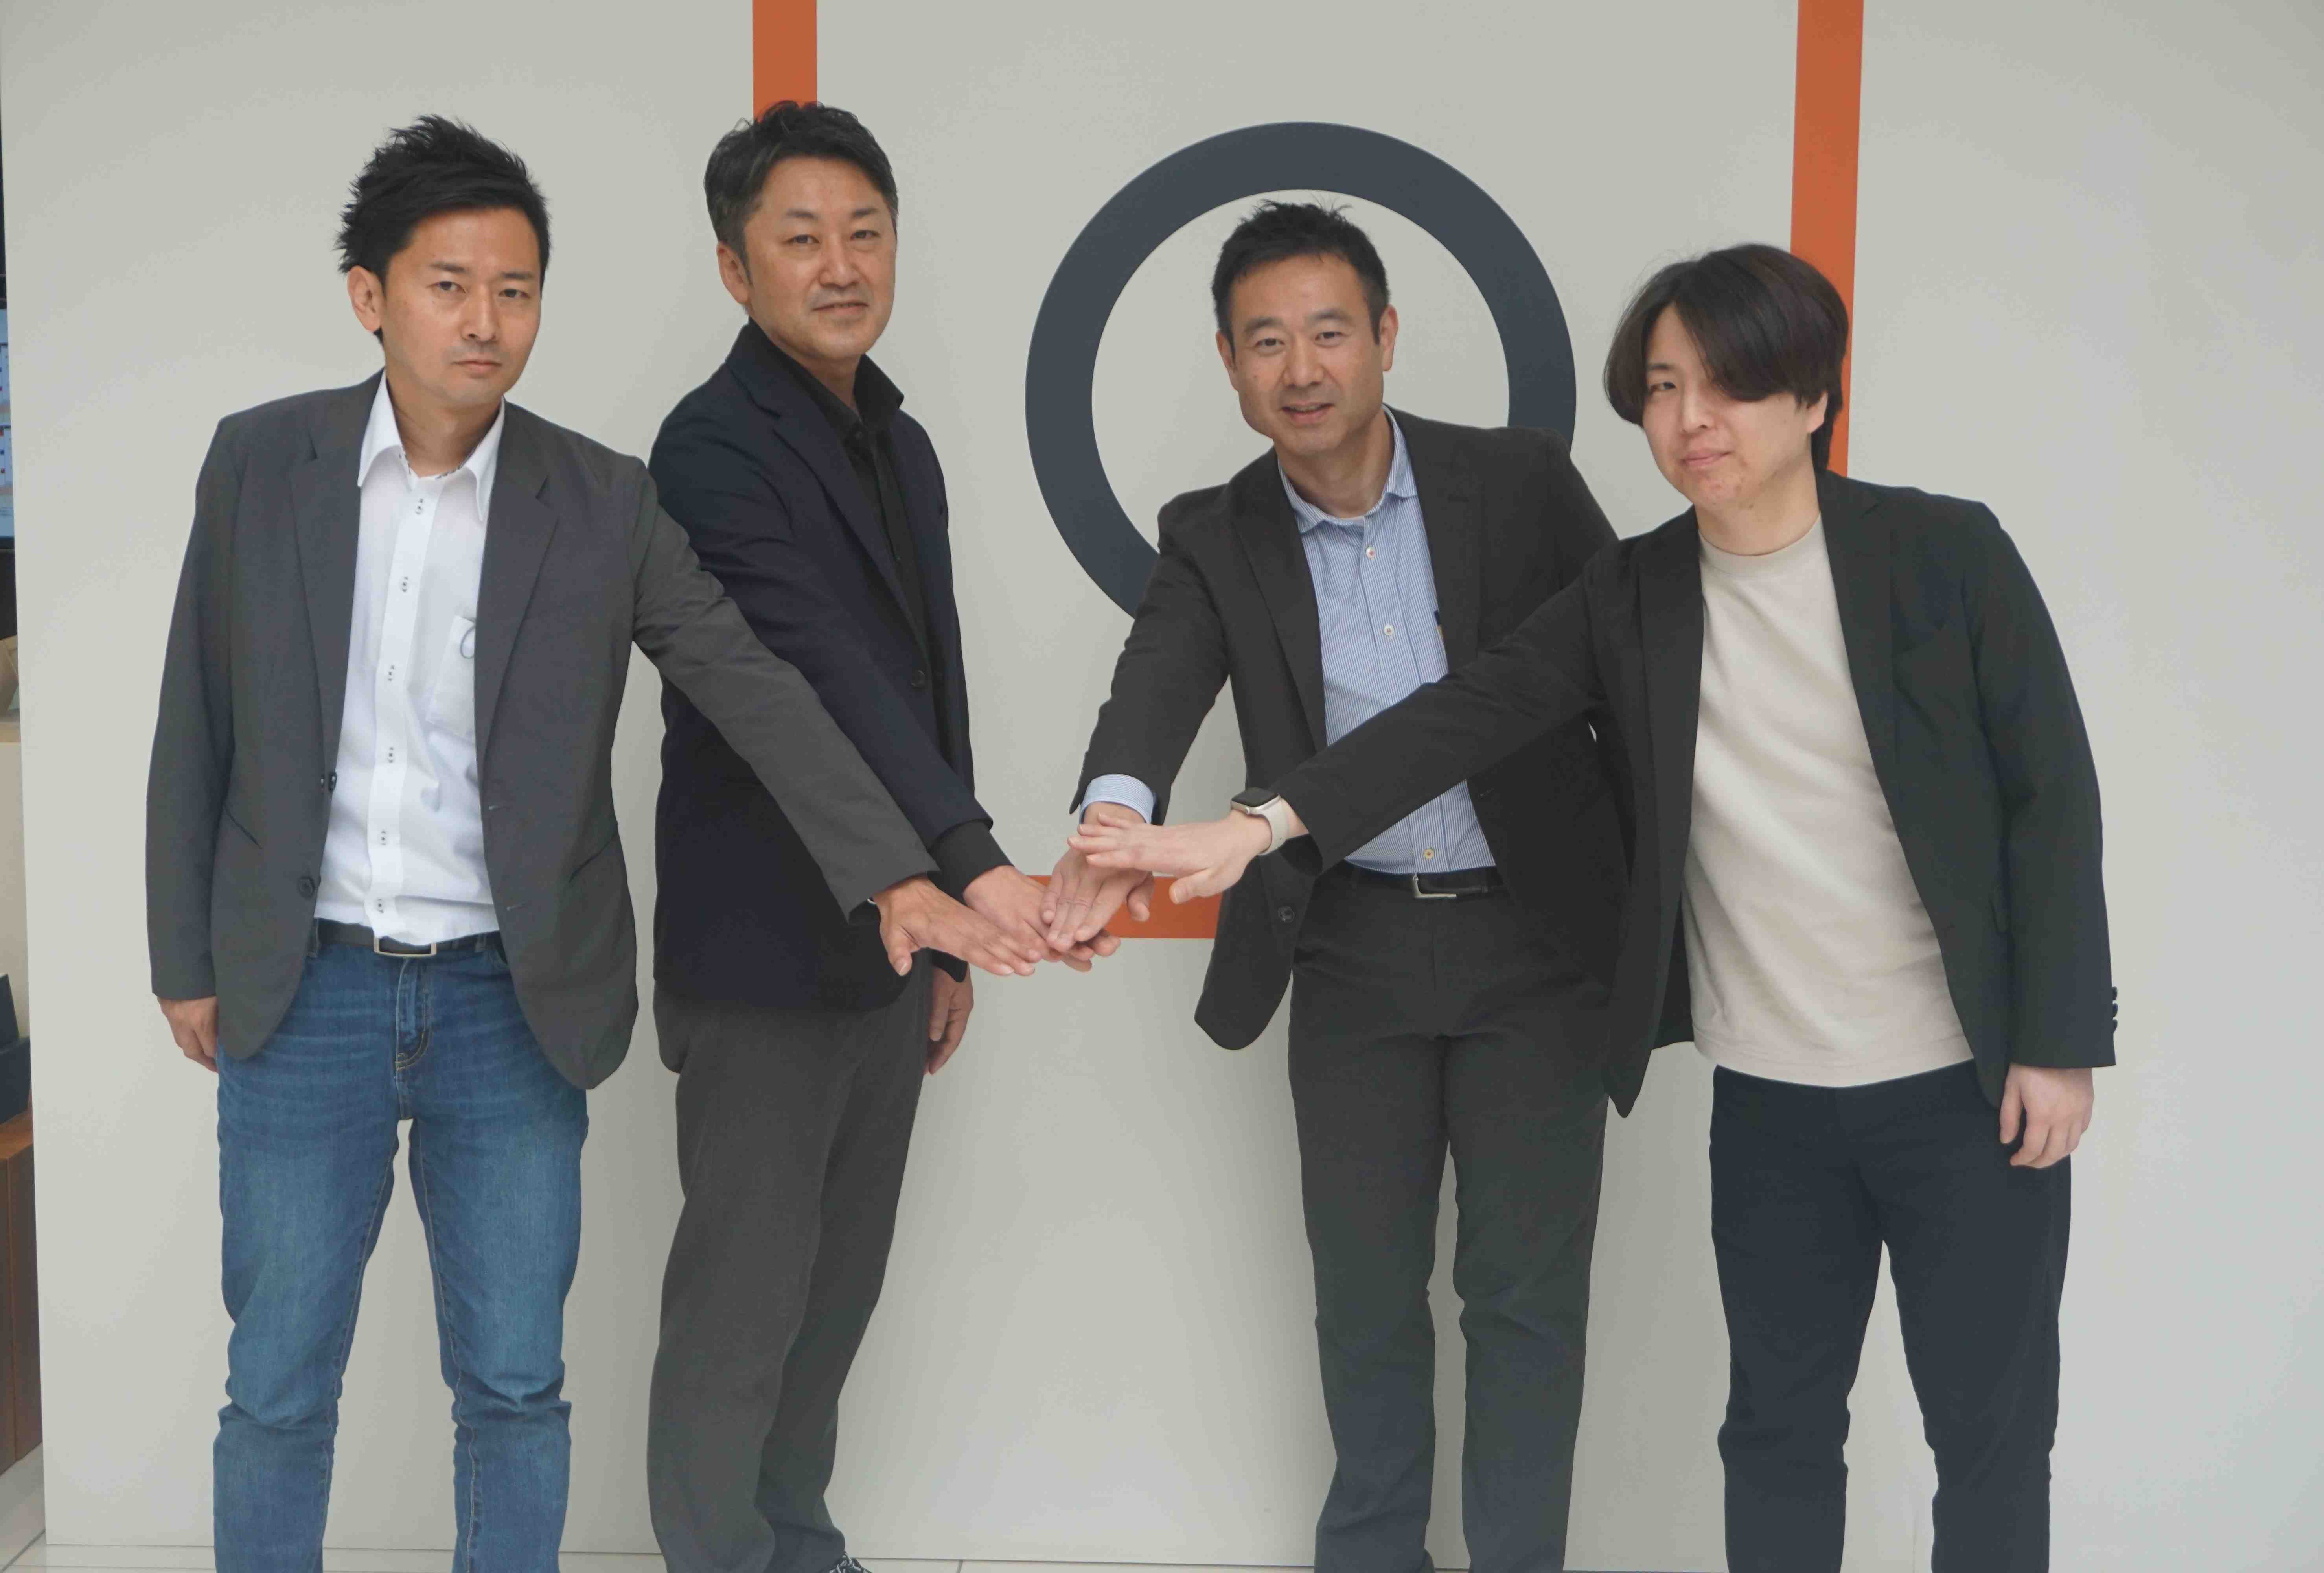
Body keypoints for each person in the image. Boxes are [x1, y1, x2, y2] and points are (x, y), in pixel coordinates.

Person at [1075, 243, 2114, 1573]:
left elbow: (2051, 798)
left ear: (1813, 397)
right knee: (1776, 1432)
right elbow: (1459, 716)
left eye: (1731, 386)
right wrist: (1258, 823)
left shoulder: (1944, 553)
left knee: (1988, 1437)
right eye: (1666, 388)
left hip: (1961, 1080)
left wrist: (2058, 1039)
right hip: (1768, 1090)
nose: (1693, 420)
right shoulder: (1635, 591)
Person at [144, 115, 1032, 1573]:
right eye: (449, 287)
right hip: (305, 988)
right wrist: (185, 954)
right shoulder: (260, 463)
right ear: (371, 296)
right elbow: (200, 713)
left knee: (513, 1389)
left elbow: (754, 684)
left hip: (513, 998)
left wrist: (903, 877)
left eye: (516, 290)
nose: (485, 322)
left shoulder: (604, 498)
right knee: (280, 1386)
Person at [1045, 201, 1629, 1573]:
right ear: (1229, 363)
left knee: (1525, 1304)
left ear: (1385, 337)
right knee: (1365, 1303)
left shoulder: (1521, 485)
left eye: (1328, 332)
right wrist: (1112, 822)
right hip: (1351, 947)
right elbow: (1155, 686)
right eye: (1266, 342)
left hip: (1537, 941)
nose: (1301, 369)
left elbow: (1625, 669)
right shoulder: (1217, 534)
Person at [639, 100, 1103, 1573]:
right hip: (764, 958)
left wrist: (950, 935)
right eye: (801, 239)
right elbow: (816, 667)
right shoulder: (710, 447)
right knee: (741, 1311)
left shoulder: (899, 444)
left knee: (834, 1300)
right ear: (736, 270)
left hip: (897, 959)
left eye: (865, 233)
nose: (841, 266)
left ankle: (797, 1543)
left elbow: (924, 686)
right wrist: (971, 862)